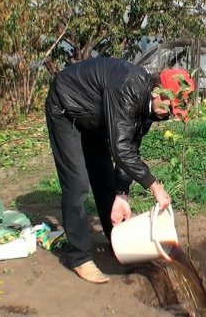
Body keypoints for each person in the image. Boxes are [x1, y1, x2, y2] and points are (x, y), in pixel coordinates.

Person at [44, 57, 195, 284]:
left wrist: (122, 194)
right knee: (77, 184)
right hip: (67, 108)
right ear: (156, 92)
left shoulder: (150, 109)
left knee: (105, 178)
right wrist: (155, 187)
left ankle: (115, 238)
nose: (169, 116)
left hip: (94, 116)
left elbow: (131, 147)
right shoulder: (128, 88)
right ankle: (79, 258)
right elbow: (121, 149)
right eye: (170, 110)